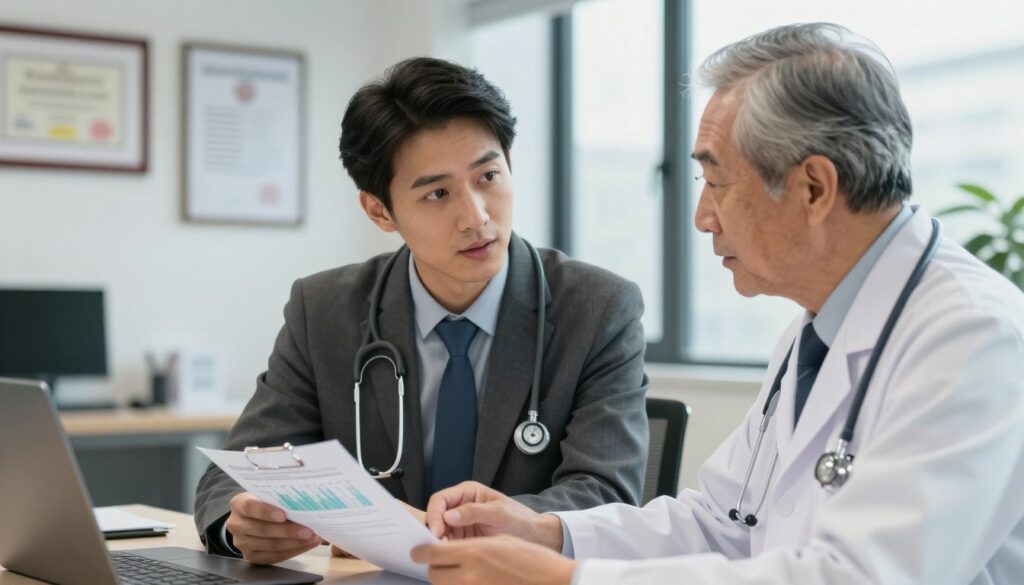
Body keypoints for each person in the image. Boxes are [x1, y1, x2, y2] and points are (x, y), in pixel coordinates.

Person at [411, 23, 1024, 585]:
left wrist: (566, 579)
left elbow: (862, 577)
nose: (703, 217)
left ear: (814, 187)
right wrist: (545, 532)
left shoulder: (972, 337)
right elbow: (723, 522)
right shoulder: (814, 331)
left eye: (717, 182)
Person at [193, 57, 650, 564]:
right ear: (379, 210)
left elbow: (606, 494)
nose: (476, 217)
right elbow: (235, 473)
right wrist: (244, 525)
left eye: (488, 176)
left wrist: (476, 532)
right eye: (437, 193)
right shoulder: (322, 311)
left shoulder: (599, 309)